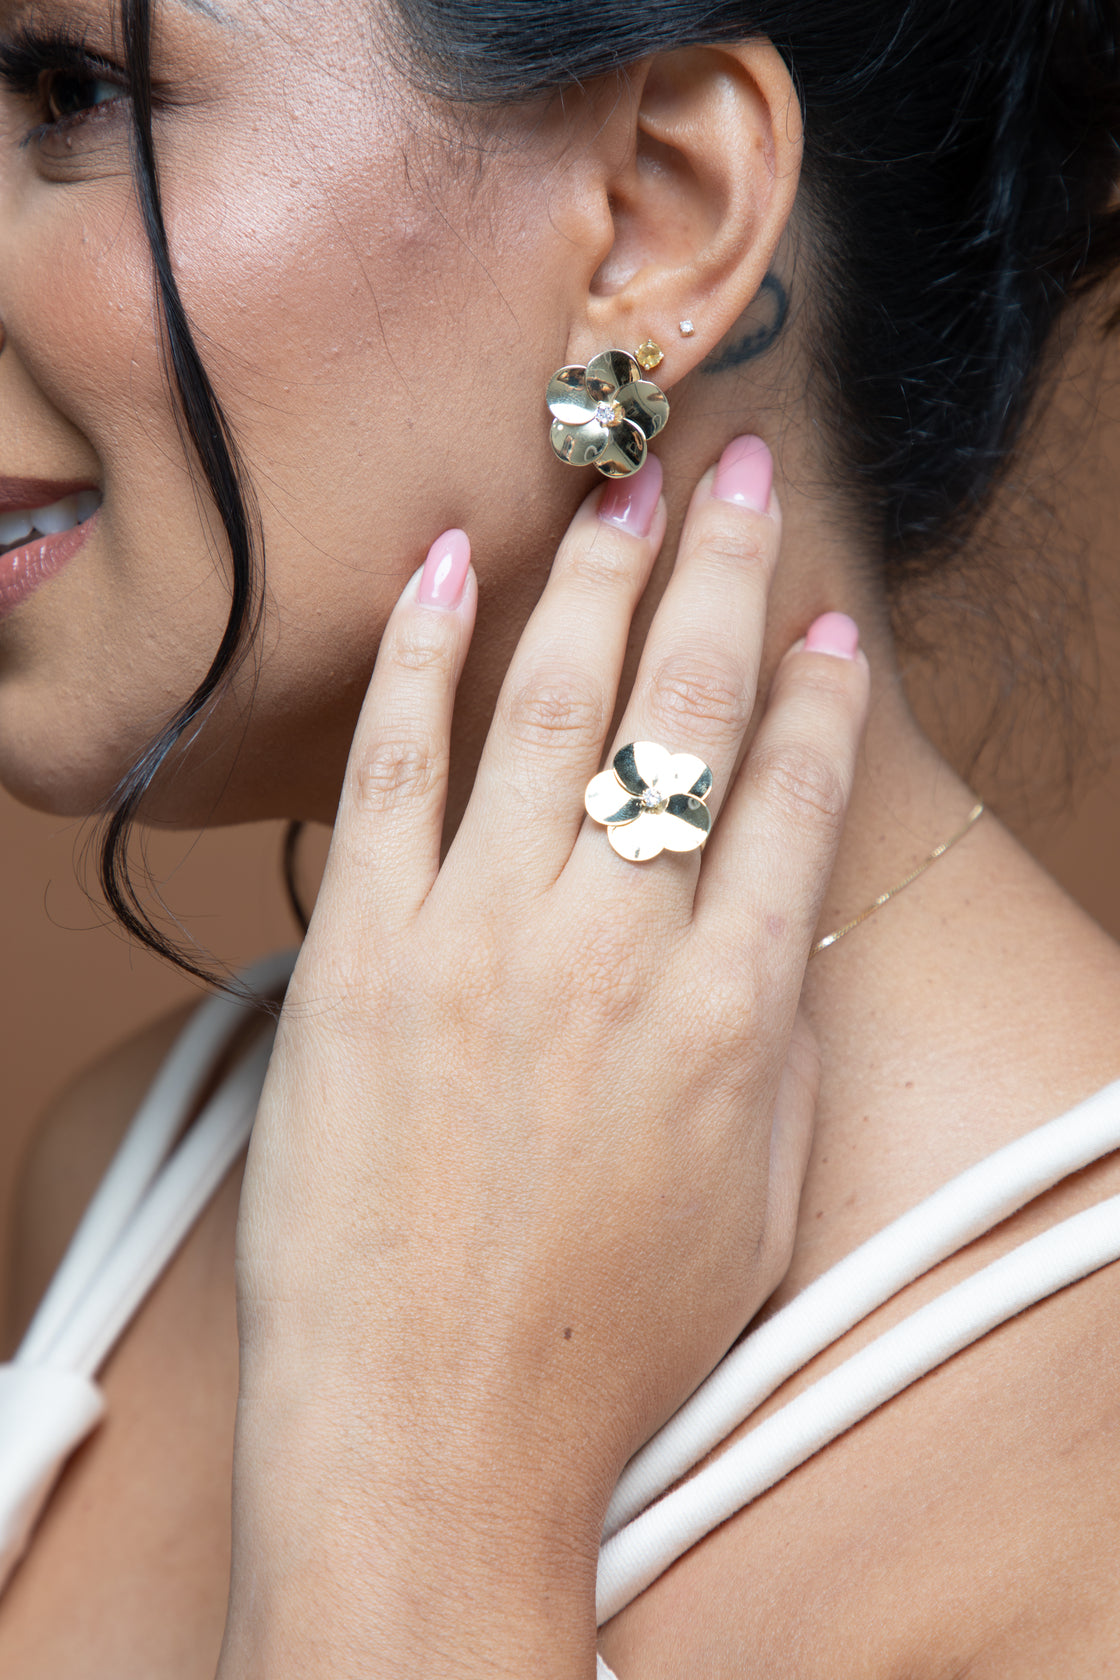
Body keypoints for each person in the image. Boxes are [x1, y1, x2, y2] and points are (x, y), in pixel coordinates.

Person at [1, 0, 1119, 1674]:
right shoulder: (133, 1167)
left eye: (75, 93)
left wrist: (428, 1492)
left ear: (656, 218)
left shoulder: (1080, 1454)